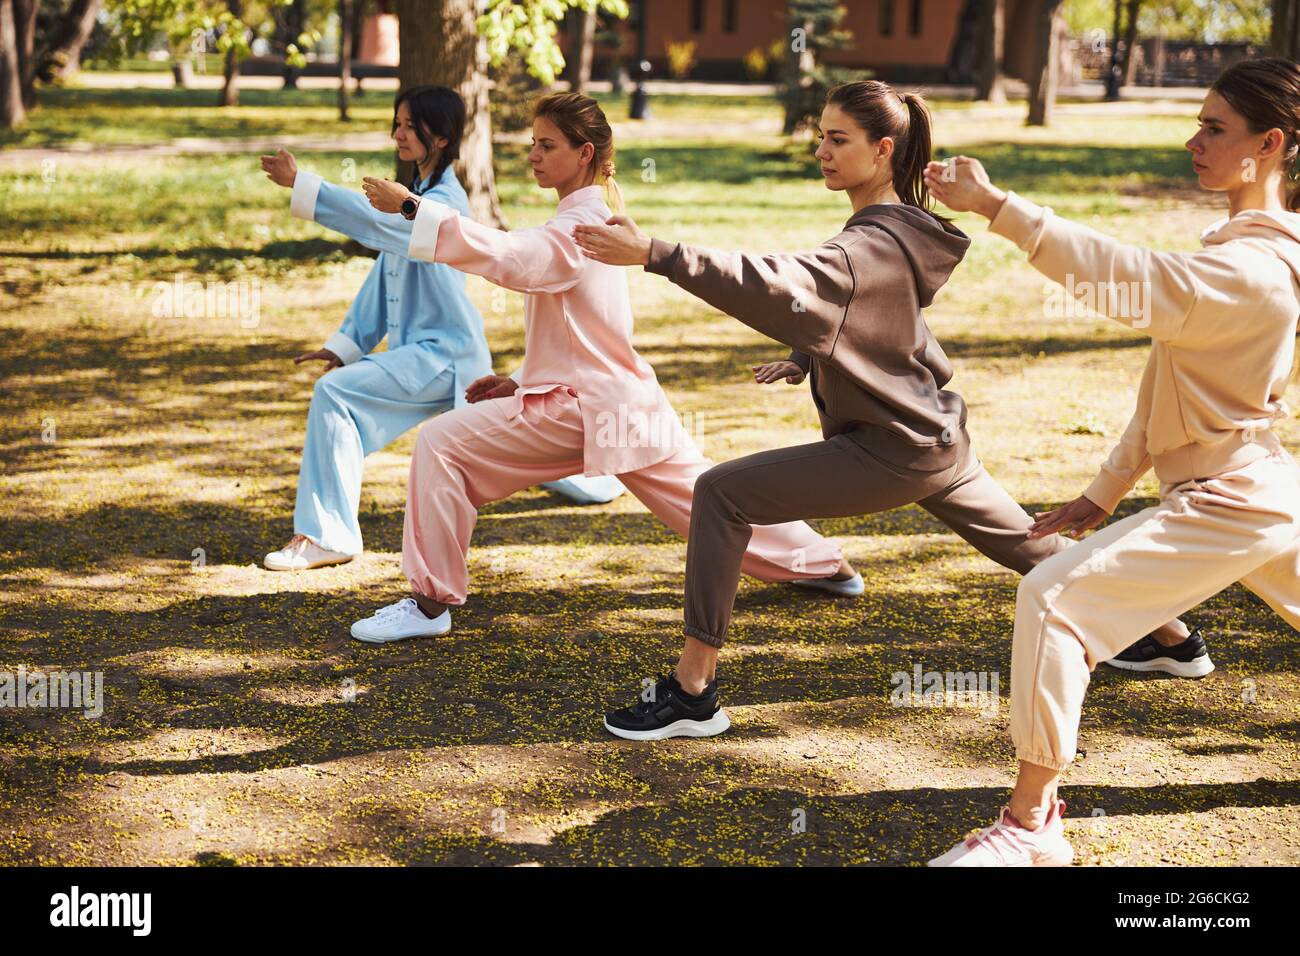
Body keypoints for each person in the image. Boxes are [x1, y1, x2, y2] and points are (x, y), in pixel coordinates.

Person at [574, 80, 1198, 741]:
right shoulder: (896, 228)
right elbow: (879, 321)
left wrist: (655, 254)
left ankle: (693, 690)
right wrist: (811, 356)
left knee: (722, 493)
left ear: (882, 150)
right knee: (1035, 548)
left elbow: (780, 283)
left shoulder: (865, 244)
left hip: (892, 449)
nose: (821, 149)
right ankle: (1172, 635)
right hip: (937, 441)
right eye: (819, 136)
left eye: (837, 139)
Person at [923, 57, 1300, 866]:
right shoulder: (1242, 255)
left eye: (1214, 128)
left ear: (1268, 145)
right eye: (1198, 122)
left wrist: (996, 206)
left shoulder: (1249, 273)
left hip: (1235, 497)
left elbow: (1127, 280)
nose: (1192, 140)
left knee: (1054, 602)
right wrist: (1103, 494)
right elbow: (1163, 387)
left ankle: (1029, 829)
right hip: (1263, 489)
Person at [348, 91, 859, 653]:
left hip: (588, 407)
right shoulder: (591, 214)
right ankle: (824, 564)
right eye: (532, 145)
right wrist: (524, 380)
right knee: (706, 499)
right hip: (617, 403)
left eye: (547, 146)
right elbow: (586, 326)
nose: (534, 156)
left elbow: (512, 259)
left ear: (583, 152)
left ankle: (429, 603)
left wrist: (413, 208)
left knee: (443, 443)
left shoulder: (585, 223)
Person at [258, 86, 623, 574]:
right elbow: (385, 272)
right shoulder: (425, 198)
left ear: (442, 137)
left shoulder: (444, 201)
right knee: (521, 442)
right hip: (427, 357)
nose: (399, 133)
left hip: (443, 357)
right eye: (397, 123)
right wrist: (344, 345)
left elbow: (380, 226)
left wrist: (305, 184)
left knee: (337, 398)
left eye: (411, 125)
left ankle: (327, 536)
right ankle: (602, 480)